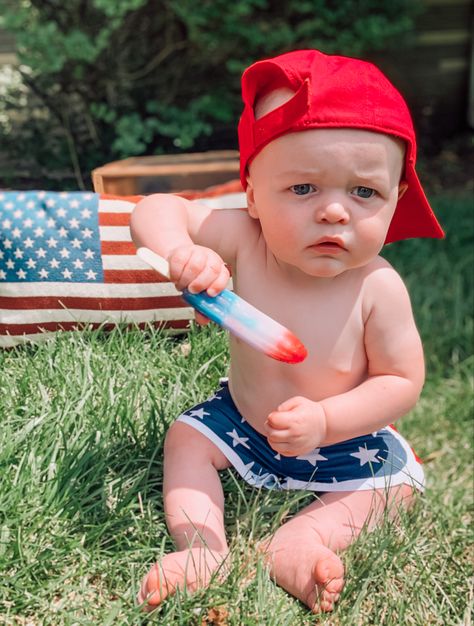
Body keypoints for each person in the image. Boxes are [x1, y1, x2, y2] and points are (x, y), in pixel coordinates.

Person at [130, 49, 444, 613]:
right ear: (252, 193)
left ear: (396, 201)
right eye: (303, 189)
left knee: (395, 488)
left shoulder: (377, 287)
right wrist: (180, 252)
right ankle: (202, 549)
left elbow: (401, 381)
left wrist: (327, 420)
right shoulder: (246, 240)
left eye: (364, 192)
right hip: (245, 423)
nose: (333, 213)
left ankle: (301, 542)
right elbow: (156, 208)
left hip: (347, 441)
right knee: (186, 440)